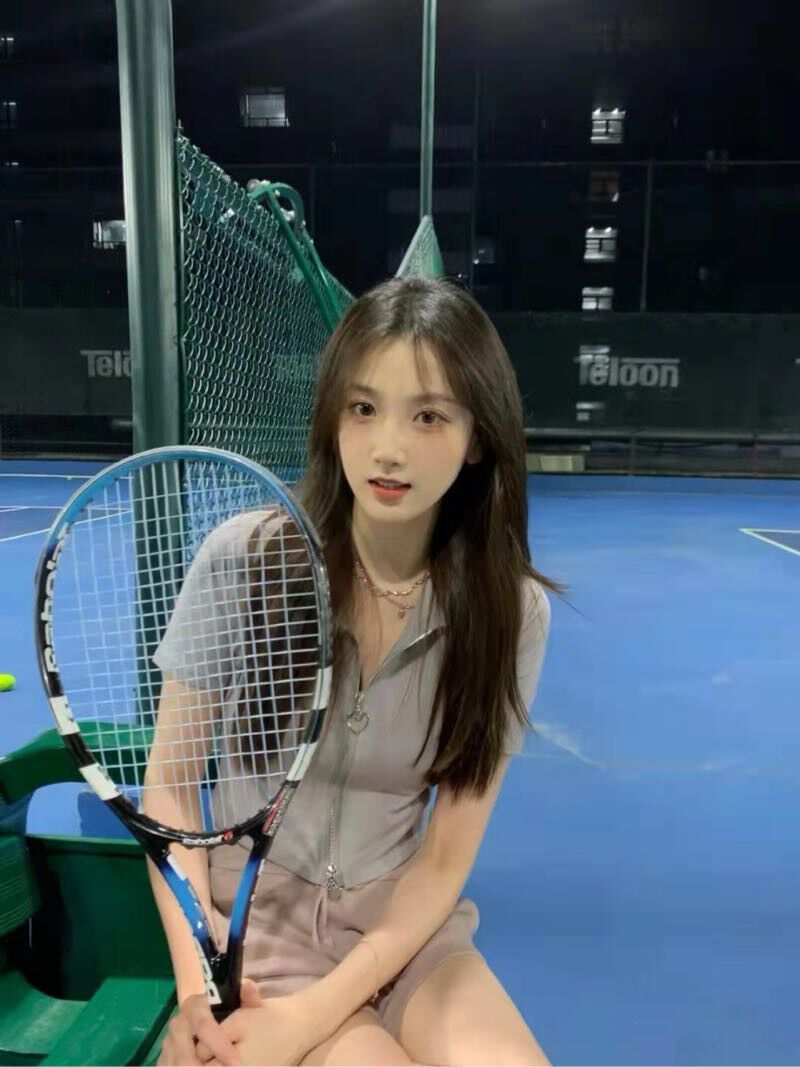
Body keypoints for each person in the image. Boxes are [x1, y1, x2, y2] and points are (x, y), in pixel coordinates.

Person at [152, 277, 555, 1066]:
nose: (388, 447)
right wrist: (201, 991)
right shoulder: (243, 560)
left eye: (428, 415)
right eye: (363, 407)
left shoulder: (511, 611)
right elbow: (169, 789)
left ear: (478, 437)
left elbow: (444, 859)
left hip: (404, 934)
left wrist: (314, 1016)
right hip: (254, 937)